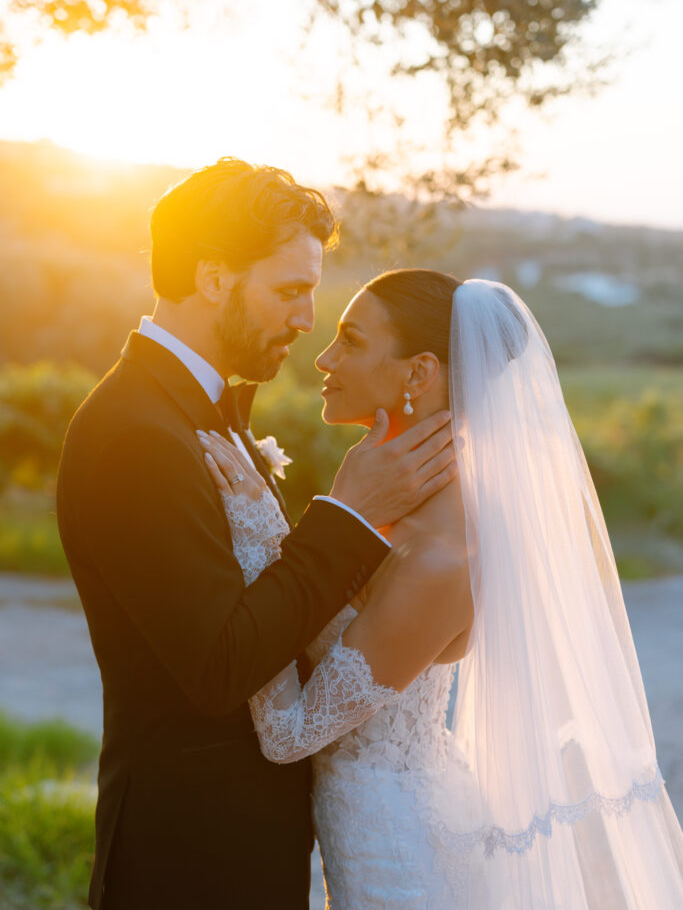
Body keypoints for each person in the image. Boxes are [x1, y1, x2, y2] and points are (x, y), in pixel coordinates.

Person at [203, 268, 683, 908]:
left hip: (399, 857)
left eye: (350, 339)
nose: (324, 356)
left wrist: (259, 536)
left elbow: (290, 733)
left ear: (418, 374)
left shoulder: (440, 553)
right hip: (387, 816)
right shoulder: (404, 505)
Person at [56, 161, 456, 910]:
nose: (306, 320)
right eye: (289, 291)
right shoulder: (136, 433)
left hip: (250, 850)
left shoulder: (199, 414)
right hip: (189, 858)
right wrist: (347, 518)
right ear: (213, 279)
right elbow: (221, 664)